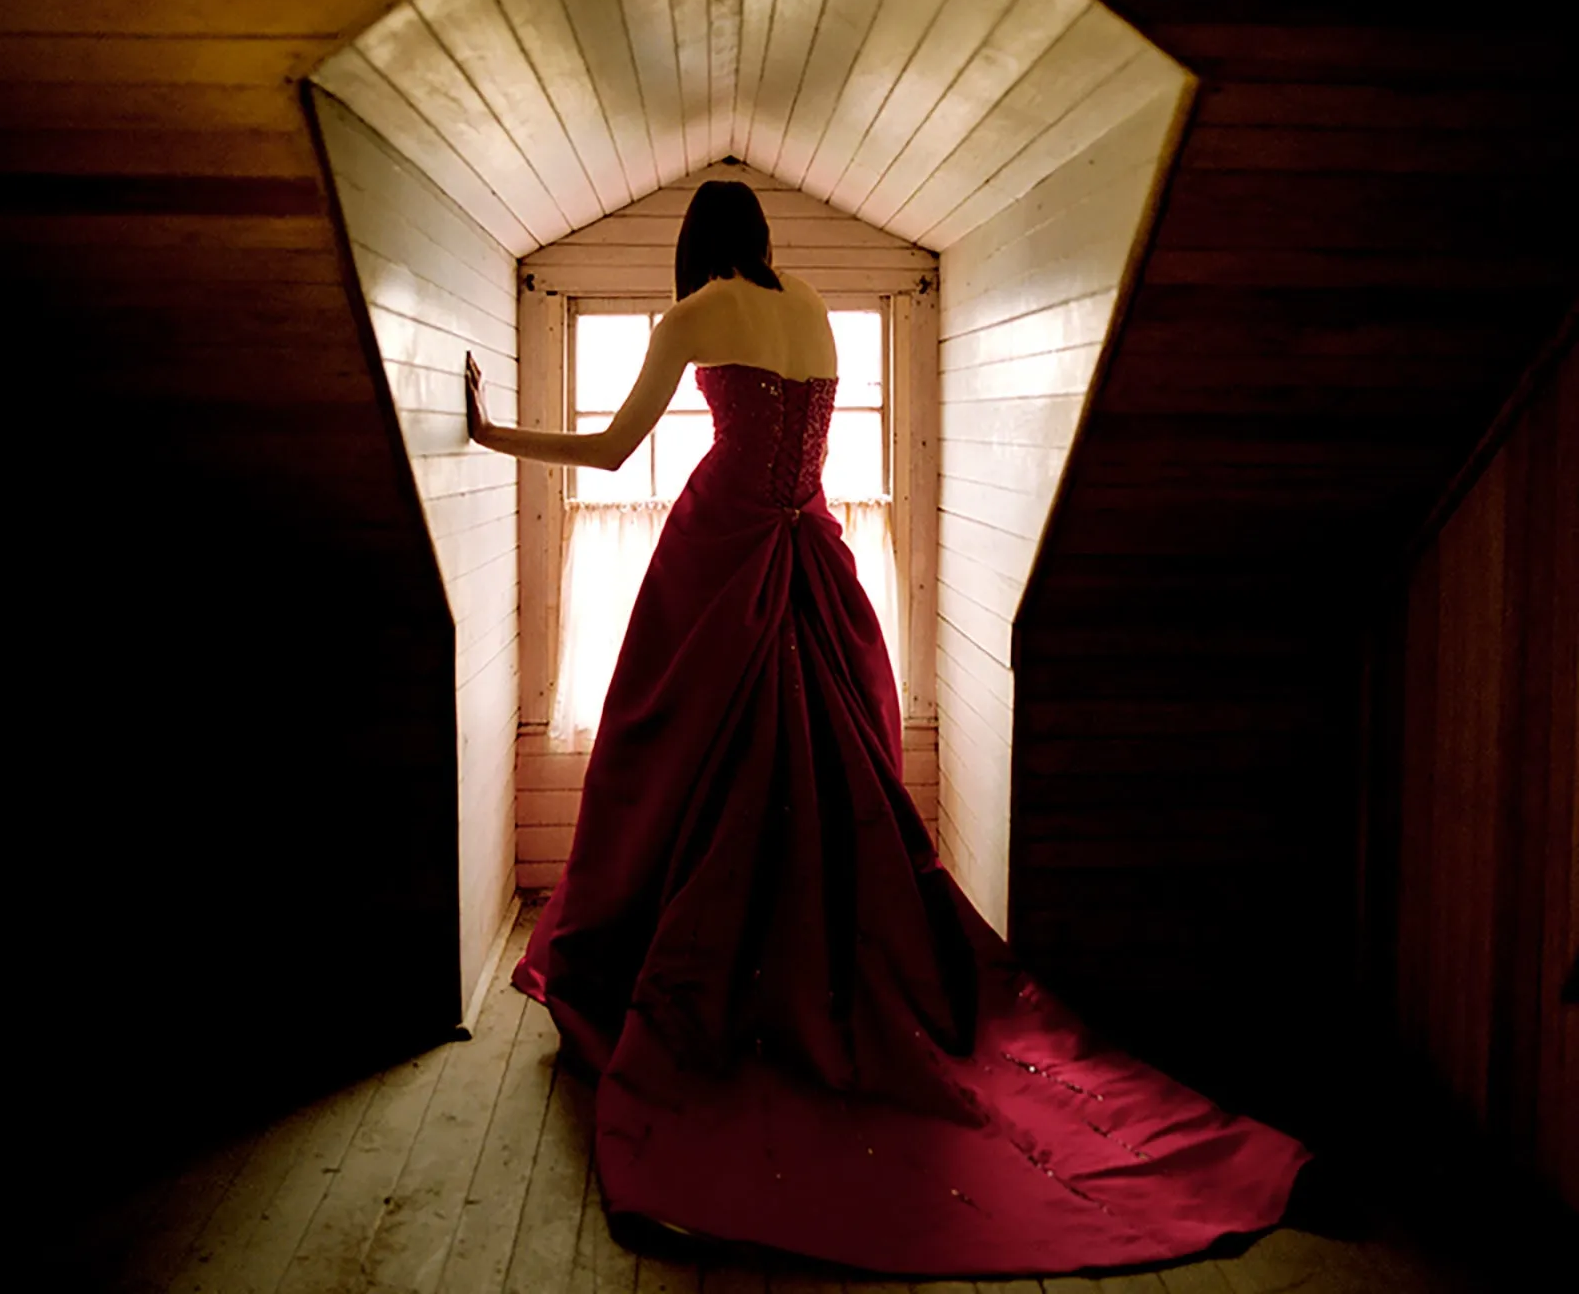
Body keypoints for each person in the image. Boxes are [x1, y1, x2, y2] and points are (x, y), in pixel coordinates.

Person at [463, 179, 1314, 1279]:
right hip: (806, 546)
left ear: (693, 245)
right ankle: (802, 964)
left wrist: (489, 433)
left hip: (723, 550)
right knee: (814, 764)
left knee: (661, 755)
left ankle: (678, 970)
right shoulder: (809, 301)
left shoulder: (692, 314)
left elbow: (618, 452)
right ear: (761, 240)